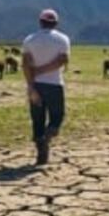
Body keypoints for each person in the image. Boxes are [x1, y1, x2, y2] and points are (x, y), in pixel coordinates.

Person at [22, 9, 71, 165]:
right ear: (56, 23)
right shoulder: (62, 39)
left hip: (36, 85)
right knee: (57, 116)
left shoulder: (29, 40)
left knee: (38, 119)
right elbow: (62, 60)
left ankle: (41, 148)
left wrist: (31, 85)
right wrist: (42, 70)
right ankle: (47, 138)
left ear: (40, 22)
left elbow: (25, 64)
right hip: (54, 85)